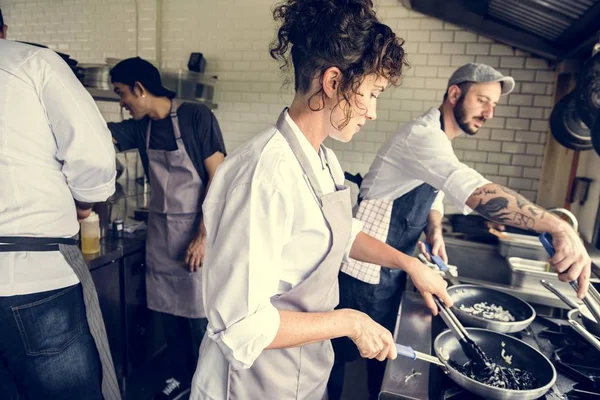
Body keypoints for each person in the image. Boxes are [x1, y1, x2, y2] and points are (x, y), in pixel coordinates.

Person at [189, 1, 452, 399]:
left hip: (302, 373)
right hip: (250, 385)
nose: (374, 112)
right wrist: (349, 321)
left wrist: (409, 263)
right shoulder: (264, 176)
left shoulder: (322, 159)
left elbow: (344, 235)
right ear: (333, 82)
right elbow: (241, 326)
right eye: (373, 93)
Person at [329, 63, 593, 399]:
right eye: (482, 100)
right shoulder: (422, 136)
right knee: (339, 357)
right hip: (360, 271)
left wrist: (434, 231)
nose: (488, 112)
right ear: (455, 93)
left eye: (493, 105)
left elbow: (434, 192)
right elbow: (476, 192)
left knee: (379, 355)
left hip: (389, 268)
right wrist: (558, 227)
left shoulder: (438, 138)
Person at [0, 33, 121, 400]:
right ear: (4, 31)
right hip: (36, 279)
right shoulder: (31, 62)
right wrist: (85, 202)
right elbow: (95, 159)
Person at [108, 57, 226, 400]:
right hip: (161, 238)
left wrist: (202, 237)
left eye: (122, 93)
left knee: (199, 320)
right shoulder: (139, 127)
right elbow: (93, 138)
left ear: (140, 89)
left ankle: (210, 386)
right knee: (169, 316)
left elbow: (218, 180)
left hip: (196, 234)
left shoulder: (195, 117)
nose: (122, 102)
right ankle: (181, 379)